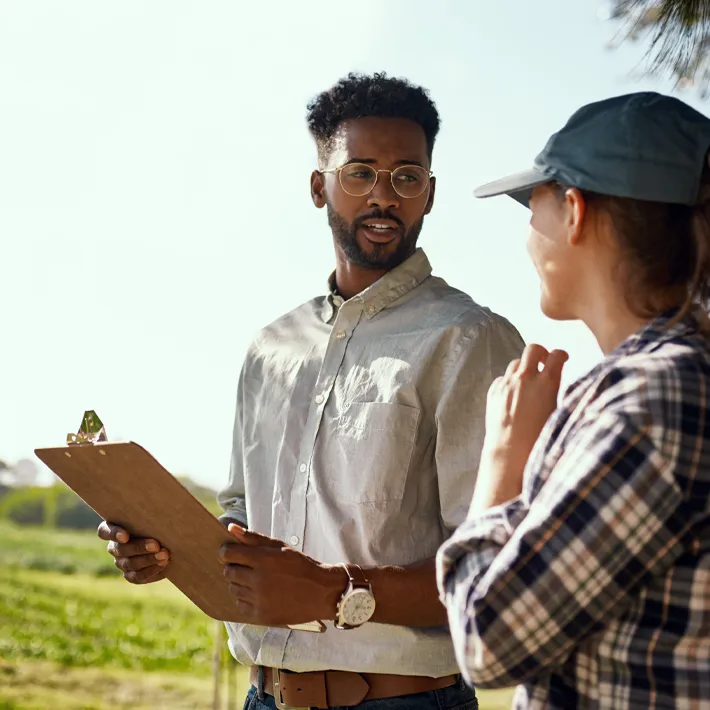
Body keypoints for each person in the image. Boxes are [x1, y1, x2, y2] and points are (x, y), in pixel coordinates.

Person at [98, 72, 524, 709]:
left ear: (430, 194)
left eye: (407, 176)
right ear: (318, 186)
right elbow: (243, 515)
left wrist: (336, 590)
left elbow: (495, 568)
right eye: (359, 173)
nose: (384, 196)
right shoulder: (272, 346)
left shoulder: (470, 341)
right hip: (262, 697)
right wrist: (169, 549)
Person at [437, 91, 710, 710]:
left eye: (531, 203)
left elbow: (487, 641)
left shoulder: (654, 400)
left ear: (575, 211)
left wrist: (503, 462)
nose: (527, 235)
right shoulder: (666, 383)